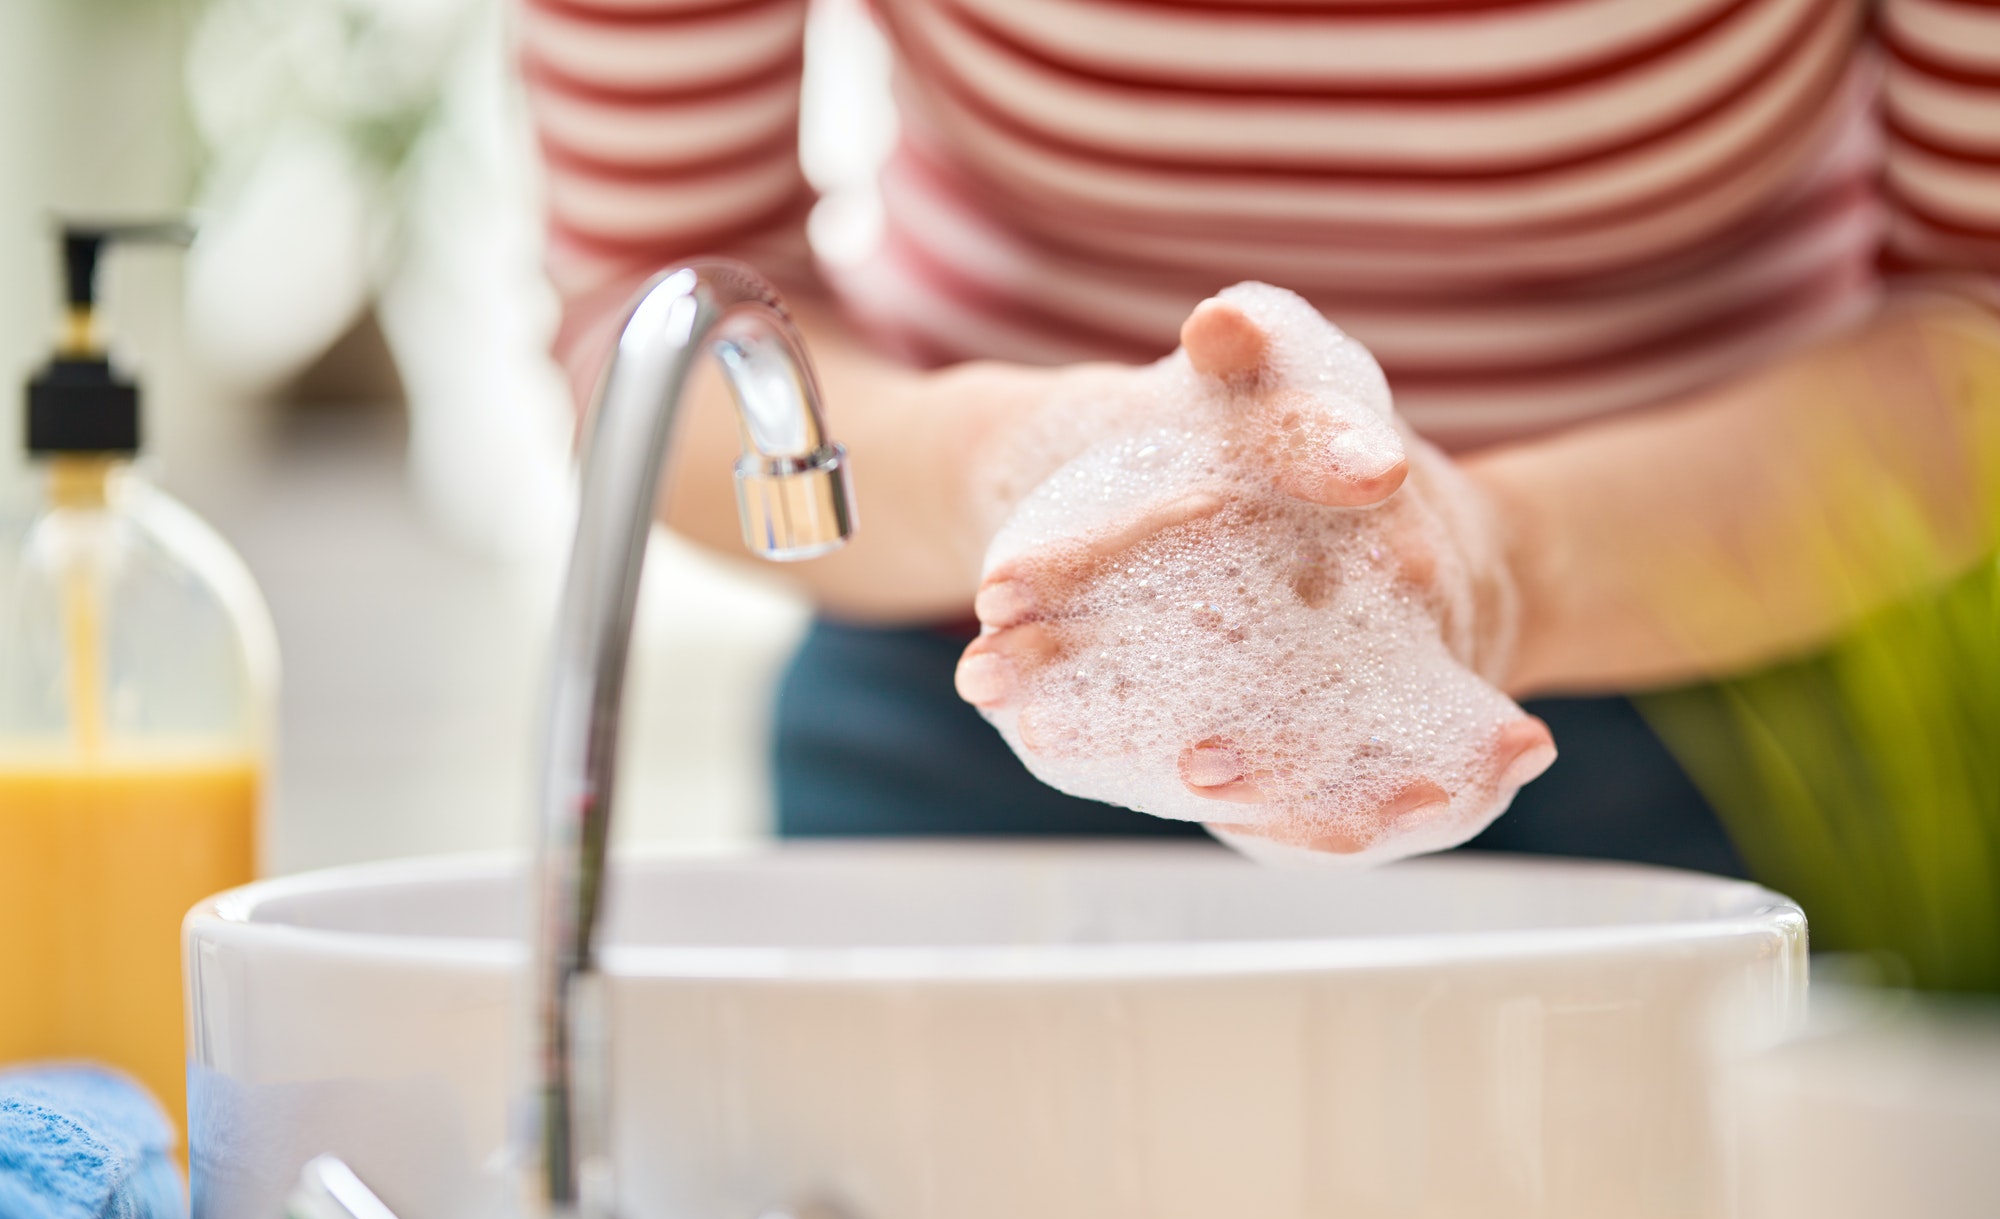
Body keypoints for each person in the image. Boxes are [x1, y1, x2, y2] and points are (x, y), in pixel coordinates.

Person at [518, 0, 2000, 870]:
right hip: (977, 686)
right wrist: (1034, 474)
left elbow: (1977, 313)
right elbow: (650, 317)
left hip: (1740, 688)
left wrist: (1504, 568)